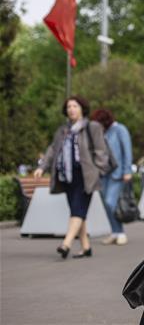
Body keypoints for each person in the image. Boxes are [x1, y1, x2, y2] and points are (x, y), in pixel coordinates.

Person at [34, 96, 114, 259]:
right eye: (69, 106)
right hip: (67, 176)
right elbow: (52, 150)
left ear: (82, 109)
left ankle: (66, 244)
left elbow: (101, 150)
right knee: (78, 211)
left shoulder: (93, 127)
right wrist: (42, 167)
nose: (71, 109)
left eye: (75, 106)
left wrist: (98, 170)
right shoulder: (63, 130)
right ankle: (86, 247)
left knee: (77, 210)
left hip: (86, 175)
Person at [91, 109, 133, 245]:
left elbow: (127, 150)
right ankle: (114, 232)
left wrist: (127, 170)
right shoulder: (102, 132)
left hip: (118, 174)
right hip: (104, 174)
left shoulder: (120, 129)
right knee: (107, 205)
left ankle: (120, 232)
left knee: (111, 203)